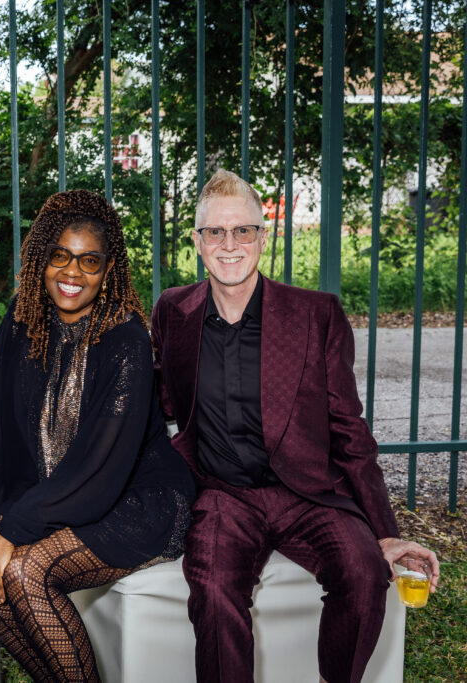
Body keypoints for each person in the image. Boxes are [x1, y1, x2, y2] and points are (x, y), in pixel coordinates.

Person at [151, 168, 441, 683]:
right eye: (215, 231)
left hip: (307, 491)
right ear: (197, 242)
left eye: (243, 230)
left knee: (362, 572)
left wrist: (385, 533)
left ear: (263, 237)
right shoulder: (174, 311)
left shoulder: (316, 314)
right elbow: (160, 403)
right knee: (215, 590)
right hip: (223, 494)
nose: (229, 244)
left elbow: (349, 428)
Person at [0, 190, 195, 682]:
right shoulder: (26, 317)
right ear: (43, 258)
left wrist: (12, 530)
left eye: (89, 261)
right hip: (58, 495)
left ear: (108, 272)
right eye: (60, 256)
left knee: (24, 570)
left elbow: (99, 470)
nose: (72, 273)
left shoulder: (125, 338)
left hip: (134, 499)